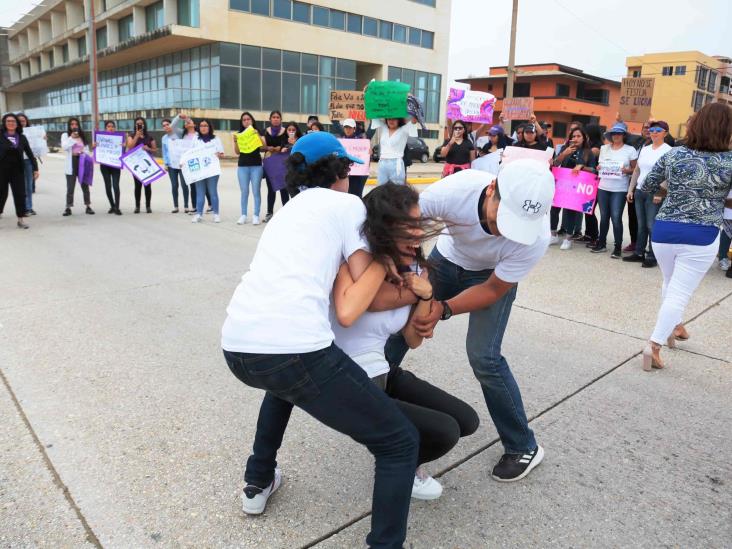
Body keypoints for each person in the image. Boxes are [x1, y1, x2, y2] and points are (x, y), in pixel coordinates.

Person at [221, 132, 419, 548]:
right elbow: (359, 301)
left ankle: (257, 482)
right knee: (400, 442)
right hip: (294, 349)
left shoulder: (288, 211)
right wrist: (405, 278)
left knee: (282, 388)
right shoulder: (347, 206)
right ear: (342, 170)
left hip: (238, 346)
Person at [386, 162, 555, 482]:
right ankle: (370, 402)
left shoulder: (536, 237)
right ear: (491, 188)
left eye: (517, 225)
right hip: (445, 260)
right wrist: (415, 279)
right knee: (397, 328)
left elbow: (492, 289)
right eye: (503, 218)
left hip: (491, 275)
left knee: (485, 356)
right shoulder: (454, 191)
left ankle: (523, 445)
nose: (506, 231)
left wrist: (444, 308)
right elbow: (405, 230)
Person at [331, 183, 479, 500]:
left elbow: (412, 339)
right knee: (444, 432)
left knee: (467, 420)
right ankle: (399, 465)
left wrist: (426, 294)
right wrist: (391, 269)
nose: (417, 234)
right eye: (407, 226)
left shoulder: (417, 270)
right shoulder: (352, 263)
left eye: (418, 224)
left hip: (383, 371)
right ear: (383, 227)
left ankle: (399, 460)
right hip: (346, 377)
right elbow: (348, 314)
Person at [640, 102, 732, 370]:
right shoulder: (728, 160)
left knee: (670, 282)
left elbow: (647, 185)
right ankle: (654, 345)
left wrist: (678, 191)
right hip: (701, 233)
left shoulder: (674, 154)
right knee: (679, 291)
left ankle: (675, 326)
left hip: (665, 229)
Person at [624, 121, 672, 267]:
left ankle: (652, 255)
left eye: (658, 130)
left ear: (665, 133)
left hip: (655, 193)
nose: (654, 132)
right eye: (652, 130)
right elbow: (637, 170)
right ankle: (639, 252)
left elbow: (668, 174)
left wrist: (660, 192)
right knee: (641, 224)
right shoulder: (645, 149)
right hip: (640, 190)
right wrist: (631, 189)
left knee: (652, 225)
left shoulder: (668, 150)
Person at [591, 123, 638, 258]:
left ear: (624, 135)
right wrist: (599, 167)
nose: (616, 136)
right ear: (610, 136)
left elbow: (635, 170)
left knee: (616, 218)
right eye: (614, 133)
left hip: (620, 188)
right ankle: (601, 243)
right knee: (604, 217)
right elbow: (600, 165)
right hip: (603, 187)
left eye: (619, 133)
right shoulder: (604, 148)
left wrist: (626, 170)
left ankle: (618, 247)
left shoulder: (630, 150)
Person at [551, 127, 598, 250]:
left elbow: (594, 170)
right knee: (554, 208)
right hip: (562, 182)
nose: (575, 139)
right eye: (573, 136)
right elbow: (554, 164)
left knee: (571, 210)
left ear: (584, 138)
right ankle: (553, 234)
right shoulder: (564, 148)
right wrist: (564, 154)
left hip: (577, 186)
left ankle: (568, 238)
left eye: (578, 136)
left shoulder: (588, 152)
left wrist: (581, 167)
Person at [0, 113, 38, 229]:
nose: (11, 123)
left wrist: (36, 168)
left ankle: (20, 220)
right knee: (2, 194)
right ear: (4, 123)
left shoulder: (22, 137)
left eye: (13, 121)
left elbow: (30, 153)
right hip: (2, 170)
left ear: (17, 124)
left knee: (20, 194)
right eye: (8, 121)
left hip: (17, 170)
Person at [191, 119, 224, 224]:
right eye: (201, 126)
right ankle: (198, 214)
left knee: (212, 192)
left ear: (209, 127)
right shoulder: (195, 139)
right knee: (200, 193)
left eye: (205, 125)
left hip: (212, 170)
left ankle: (216, 214)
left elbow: (222, 154)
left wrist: (218, 154)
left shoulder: (216, 139)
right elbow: (190, 154)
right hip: (199, 171)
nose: (203, 128)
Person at [234, 112, 264, 225]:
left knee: (256, 191)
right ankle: (243, 215)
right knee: (244, 191)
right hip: (242, 166)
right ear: (242, 122)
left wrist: (257, 135)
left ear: (252, 121)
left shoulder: (256, 132)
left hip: (256, 165)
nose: (246, 121)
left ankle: (256, 215)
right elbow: (237, 152)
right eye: (244, 120)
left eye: (248, 119)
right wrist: (235, 141)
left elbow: (263, 146)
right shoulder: (239, 134)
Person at [61, 117, 94, 216]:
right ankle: (68, 207)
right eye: (72, 124)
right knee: (70, 187)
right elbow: (64, 147)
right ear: (69, 126)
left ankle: (88, 206)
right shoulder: (66, 135)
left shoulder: (82, 135)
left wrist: (83, 153)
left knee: (85, 185)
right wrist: (72, 137)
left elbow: (87, 149)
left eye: (76, 124)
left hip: (82, 161)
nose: (74, 126)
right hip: (71, 162)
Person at [372, 115, 418, 185]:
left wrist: (414, 120)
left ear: (398, 120)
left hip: (396, 164)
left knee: (396, 191)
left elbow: (413, 122)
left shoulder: (404, 129)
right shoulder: (384, 128)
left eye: (394, 119)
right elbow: (374, 116)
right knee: (381, 189)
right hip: (382, 163)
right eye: (389, 119)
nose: (391, 121)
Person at [126, 117, 157, 214]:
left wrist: (148, 149)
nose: (139, 125)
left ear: (144, 125)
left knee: (148, 185)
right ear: (135, 125)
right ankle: (137, 206)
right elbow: (130, 147)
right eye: (137, 124)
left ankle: (148, 206)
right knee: (137, 186)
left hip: (147, 165)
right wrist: (136, 136)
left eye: (141, 124)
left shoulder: (150, 137)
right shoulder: (131, 136)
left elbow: (155, 150)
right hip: (136, 165)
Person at [262, 110, 289, 222]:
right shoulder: (265, 131)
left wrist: (279, 148)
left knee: (284, 188)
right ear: (270, 119)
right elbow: (261, 147)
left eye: (278, 117)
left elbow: (287, 144)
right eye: (273, 117)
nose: (276, 119)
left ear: (281, 119)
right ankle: (269, 212)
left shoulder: (285, 131)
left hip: (282, 163)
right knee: (271, 189)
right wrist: (268, 148)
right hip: (270, 163)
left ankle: (287, 212)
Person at [96, 120, 123, 215]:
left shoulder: (119, 138)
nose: (111, 128)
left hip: (115, 165)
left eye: (112, 126)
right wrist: (95, 146)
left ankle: (117, 207)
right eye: (108, 126)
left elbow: (123, 152)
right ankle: (112, 205)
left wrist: (123, 146)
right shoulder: (100, 138)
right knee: (108, 186)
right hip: (104, 166)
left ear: (115, 128)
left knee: (116, 186)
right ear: (105, 128)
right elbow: (96, 150)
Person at [161, 115, 187, 213]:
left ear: (171, 125)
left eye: (167, 124)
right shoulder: (164, 138)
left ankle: (186, 206)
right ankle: (176, 206)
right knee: (174, 185)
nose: (166, 126)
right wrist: (165, 164)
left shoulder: (178, 132)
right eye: (164, 125)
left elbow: (175, 123)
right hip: (171, 165)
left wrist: (178, 116)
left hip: (181, 164)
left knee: (184, 185)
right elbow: (164, 152)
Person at [16, 113, 38, 216]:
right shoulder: (11, 133)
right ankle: (22, 208)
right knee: (19, 186)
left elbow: (35, 149)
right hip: (15, 162)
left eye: (23, 121)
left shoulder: (32, 132)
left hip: (28, 161)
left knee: (29, 186)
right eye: (19, 121)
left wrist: (42, 139)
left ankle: (28, 207)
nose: (21, 123)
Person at [340, 118, 368, 197]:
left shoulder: (361, 140)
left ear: (354, 128)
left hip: (358, 174)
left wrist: (369, 152)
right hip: (345, 173)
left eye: (350, 127)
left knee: (356, 195)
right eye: (346, 127)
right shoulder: (340, 140)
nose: (347, 130)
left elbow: (365, 156)